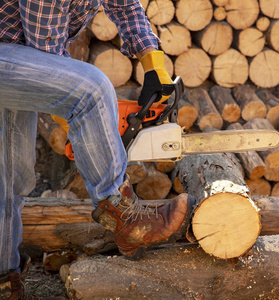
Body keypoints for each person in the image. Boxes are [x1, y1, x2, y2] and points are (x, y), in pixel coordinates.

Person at [0, 0, 193, 299]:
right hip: (14, 52)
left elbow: (126, 6)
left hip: (13, 50)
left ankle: (3, 277)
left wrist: (152, 63)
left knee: (11, 177)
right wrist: (85, 121)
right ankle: (124, 215)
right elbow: (49, 59)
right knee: (89, 89)